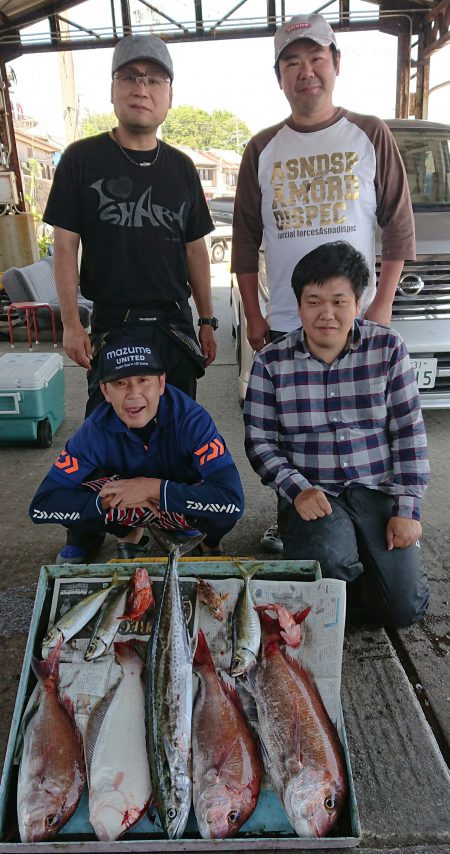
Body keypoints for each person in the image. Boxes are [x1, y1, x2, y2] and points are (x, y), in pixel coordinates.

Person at [231, 12, 415, 554]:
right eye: (292, 62)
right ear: (279, 75)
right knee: (284, 430)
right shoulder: (261, 147)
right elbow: (243, 241)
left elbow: (398, 226)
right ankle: (295, 516)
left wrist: (379, 306)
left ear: (336, 64)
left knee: (360, 425)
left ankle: (366, 513)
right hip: (288, 320)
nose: (305, 71)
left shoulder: (369, 132)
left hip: (351, 317)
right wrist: (255, 314)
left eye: (316, 59)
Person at [244, 242, 430, 628]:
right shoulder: (271, 362)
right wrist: (296, 489)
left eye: (339, 301)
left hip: (378, 488)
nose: (326, 314)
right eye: (313, 301)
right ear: (298, 305)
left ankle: (366, 565)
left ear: (358, 302)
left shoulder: (388, 348)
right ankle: (339, 560)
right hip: (315, 493)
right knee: (328, 569)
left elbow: (409, 431)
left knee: (403, 610)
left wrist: (408, 508)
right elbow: (260, 441)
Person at [44, 32, 218, 413]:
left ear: (169, 97)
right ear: (112, 89)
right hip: (113, 325)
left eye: (154, 79)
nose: (142, 88)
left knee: (178, 437)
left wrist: (207, 320)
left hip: (174, 325)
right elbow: (65, 246)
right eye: (130, 76)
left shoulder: (182, 168)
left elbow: (195, 250)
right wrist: (72, 324)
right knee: (110, 444)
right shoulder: (80, 159)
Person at [29, 333, 244, 564]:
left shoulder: (192, 419)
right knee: (79, 493)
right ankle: (128, 533)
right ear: (105, 392)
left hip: (176, 499)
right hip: (126, 506)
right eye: (120, 383)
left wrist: (153, 489)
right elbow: (42, 506)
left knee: (222, 512)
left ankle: (208, 541)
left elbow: (233, 501)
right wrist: (108, 501)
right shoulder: (93, 430)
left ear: (161, 384)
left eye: (143, 380)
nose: (133, 394)